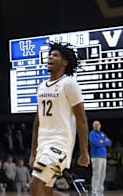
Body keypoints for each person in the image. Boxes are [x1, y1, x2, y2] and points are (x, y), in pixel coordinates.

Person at [29, 43, 89, 196]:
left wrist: (84, 152)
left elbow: (81, 120)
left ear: (64, 63)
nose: (50, 57)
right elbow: (38, 121)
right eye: (50, 55)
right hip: (43, 145)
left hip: (60, 145)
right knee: (46, 189)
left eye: (55, 55)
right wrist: (33, 152)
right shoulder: (42, 86)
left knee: (35, 184)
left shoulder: (68, 84)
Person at [89, 120, 112, 196]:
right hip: (96, 156)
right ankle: (94, 192)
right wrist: (103, 142)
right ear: (93, 126)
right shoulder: (92, 134)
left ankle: (100, 192)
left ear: (100, 126)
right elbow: (96, 143)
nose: (97, 126)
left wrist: (103, 141)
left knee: (102, 175)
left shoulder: (102, 134)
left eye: (98, 125)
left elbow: (109, 143)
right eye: (95, 125)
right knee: (96, 175)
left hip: (103, 157)